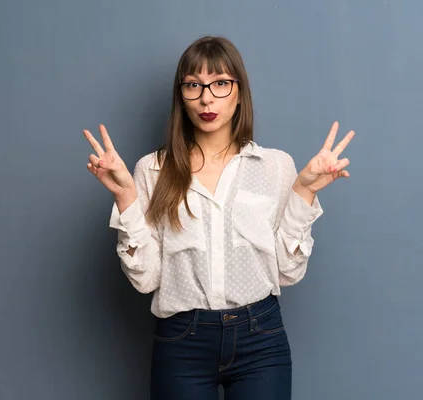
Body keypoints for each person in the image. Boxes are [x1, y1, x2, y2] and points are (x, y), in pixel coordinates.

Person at [82, 36, 354, 400]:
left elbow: (288, 271)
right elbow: (146, 279)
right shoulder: (152, 169)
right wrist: (125, 197)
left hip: (261, 339)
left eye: (220, 84)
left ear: (239, 92)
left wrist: (304, 191)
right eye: (194, 85)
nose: (206, 97)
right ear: (181, 95)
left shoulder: (276, 167)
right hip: (182, 341)